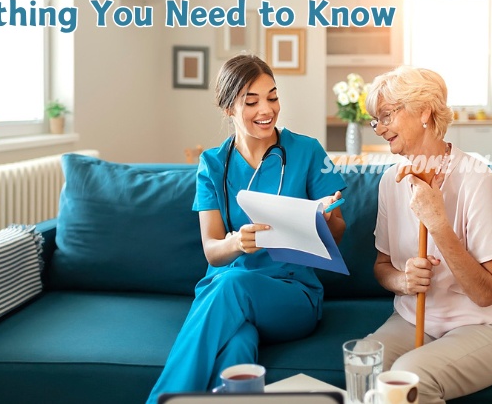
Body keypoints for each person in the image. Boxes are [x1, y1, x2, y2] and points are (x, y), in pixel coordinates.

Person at [147, 54, 347, 403]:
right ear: (228, 108)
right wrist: (238, 243)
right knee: (236, 347)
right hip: (227, 293)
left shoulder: (308, 151)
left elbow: (339, 233)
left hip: (292, 295)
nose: (266, 109)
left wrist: (327, 221)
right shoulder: (211, 164)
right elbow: (212, 249)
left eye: (272, 96)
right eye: (251, 101)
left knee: (233, 284)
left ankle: (162, 399)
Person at [363, 66, 492, 404]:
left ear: (423, 111)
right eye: (376, 120)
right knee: (365, 364)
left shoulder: (476, 181)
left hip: (489, 325)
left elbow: (486, 295)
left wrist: (438, 224)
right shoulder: (389, 182)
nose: (379, 128)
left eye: (386, 116)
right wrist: (403, 281)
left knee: (409, 381)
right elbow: (382, 265)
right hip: (416, 318)